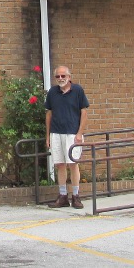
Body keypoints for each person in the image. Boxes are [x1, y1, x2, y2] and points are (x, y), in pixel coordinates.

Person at [45, 65, 89, 209]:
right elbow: (49, 114)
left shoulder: (78, 91)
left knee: (73, 164)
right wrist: (48, 136)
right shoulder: (52, 92)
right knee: (59, 164)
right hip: (56, 133)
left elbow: (84, 112)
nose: (60, 79)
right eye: (58, 76)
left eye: (63, 76)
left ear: (69, 77)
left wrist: (79, 133)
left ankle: (76, 196)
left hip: (72, 134)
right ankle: (63, 196)